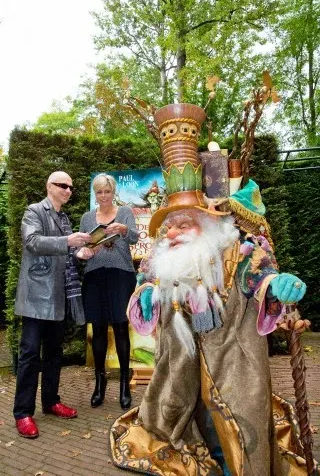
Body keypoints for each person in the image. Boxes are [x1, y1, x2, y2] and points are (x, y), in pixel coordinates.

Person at [110, 103, 316, 475]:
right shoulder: (158, 263)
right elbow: (141, 302)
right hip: (181, 371)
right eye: (168, 226)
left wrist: (276, 287)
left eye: (183, 224)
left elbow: (259, 282)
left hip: (235, 367)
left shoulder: (239, 252)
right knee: (192, 428)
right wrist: (151, 295)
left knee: (238, 434)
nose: (172, 233)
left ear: (208, 223)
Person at [13, 171, 92, 439]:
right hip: (36, 297)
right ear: (49, 186)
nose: (69, 190)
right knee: (30, 355)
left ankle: (50, 402)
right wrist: (68, 241)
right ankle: (23, 413)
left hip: (58, 297)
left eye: (71, 187)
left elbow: (69, 253)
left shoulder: (64, 218)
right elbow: (32, 242)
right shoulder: (34, 211)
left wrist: (82, 252)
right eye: (63, 185)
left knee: (54, 353)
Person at [76, 173, 138, 410]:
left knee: (121, 327)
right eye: (99, 192)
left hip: (121, 274)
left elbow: (134, 238)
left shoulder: (125, 213)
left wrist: (123, 230)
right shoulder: (86, 217)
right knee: (98, 329)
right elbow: (82, 247)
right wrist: (85, 251)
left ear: (114, 192)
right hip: (94, 275)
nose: (103, 196)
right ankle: (99, 384)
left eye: (107, 191)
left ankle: (124, 383)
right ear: (95, 194)